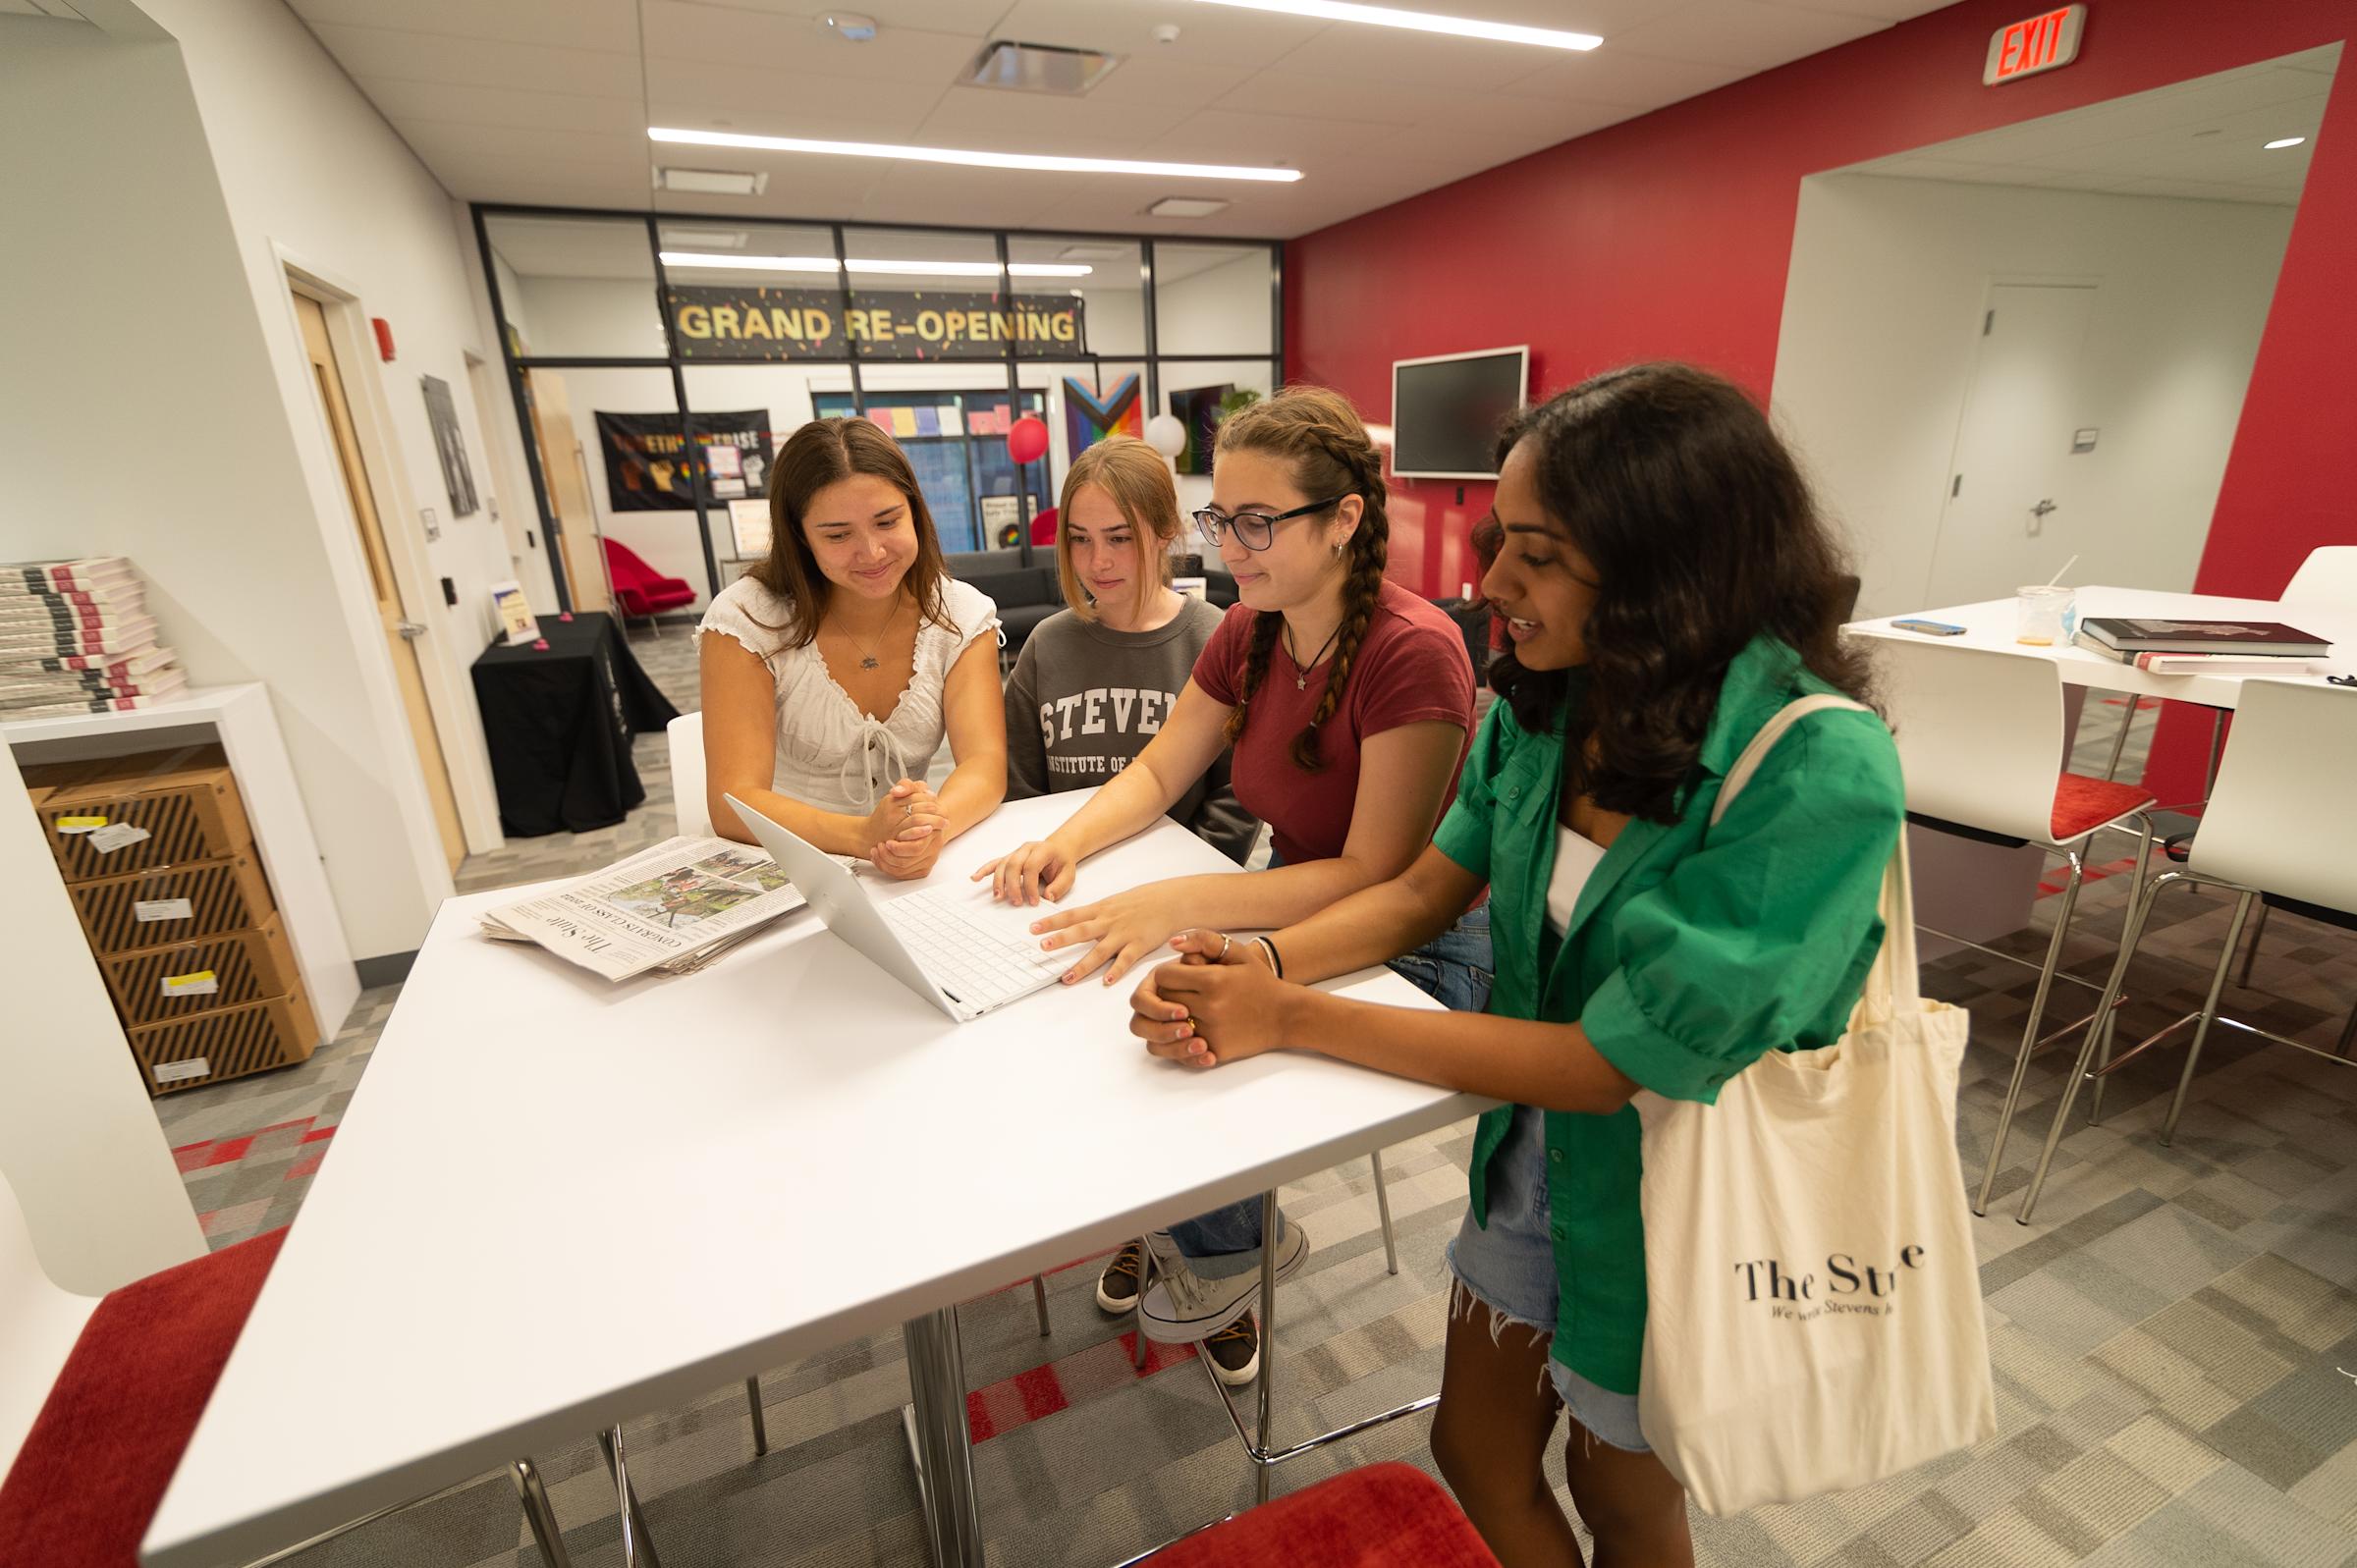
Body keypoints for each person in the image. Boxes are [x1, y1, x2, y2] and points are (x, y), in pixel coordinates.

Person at [1125, 363, 1902, 1566]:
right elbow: (1428, 890)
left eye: (1536, 552)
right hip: (1537, 1155)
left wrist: (1286, 1013)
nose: (1493, 582)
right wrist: (1259, 958)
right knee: (1478, 1453)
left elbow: (1607, 1064)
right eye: (1501, 542)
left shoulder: (1814, 769)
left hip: (1684, 1189)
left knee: (1621, 1482)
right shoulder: (1548, 699)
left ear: (1662, 563)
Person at [976, 386, 1476, 1384]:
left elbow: (1377, 873)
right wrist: (1066, 841)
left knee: (1179, 1029)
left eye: (1258, 522)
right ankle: (1197, 1227)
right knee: (1121, 1012)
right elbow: (1161, 769)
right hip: (1305, 899)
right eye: (1221, 519)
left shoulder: (1411, 649)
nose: (1232, 546)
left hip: (1419, 947)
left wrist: (1180, 903)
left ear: (1343, 521)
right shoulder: (1252, 627)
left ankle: (1224, 1246)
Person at [697, 416, 1006, 876]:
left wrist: (930, 829)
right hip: (780, 861)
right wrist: (863, 838)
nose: (873, 552)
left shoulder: (960, 614)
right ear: (801, 537)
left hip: (901, 865)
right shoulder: (746, 620)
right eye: (838, 535)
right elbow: (734, 801)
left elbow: (985, 765)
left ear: (915, 511)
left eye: (887, 521)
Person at [1003, 435, 1256, 864]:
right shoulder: (1046, 644)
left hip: (1179, 890)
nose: (1097, 561)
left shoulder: (1217, 639)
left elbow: (1237, 799)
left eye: (1118, 538)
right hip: (1061, 880)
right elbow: (1018, 789)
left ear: (1164, 532)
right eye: (1080, 539)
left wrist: (1175, 884)